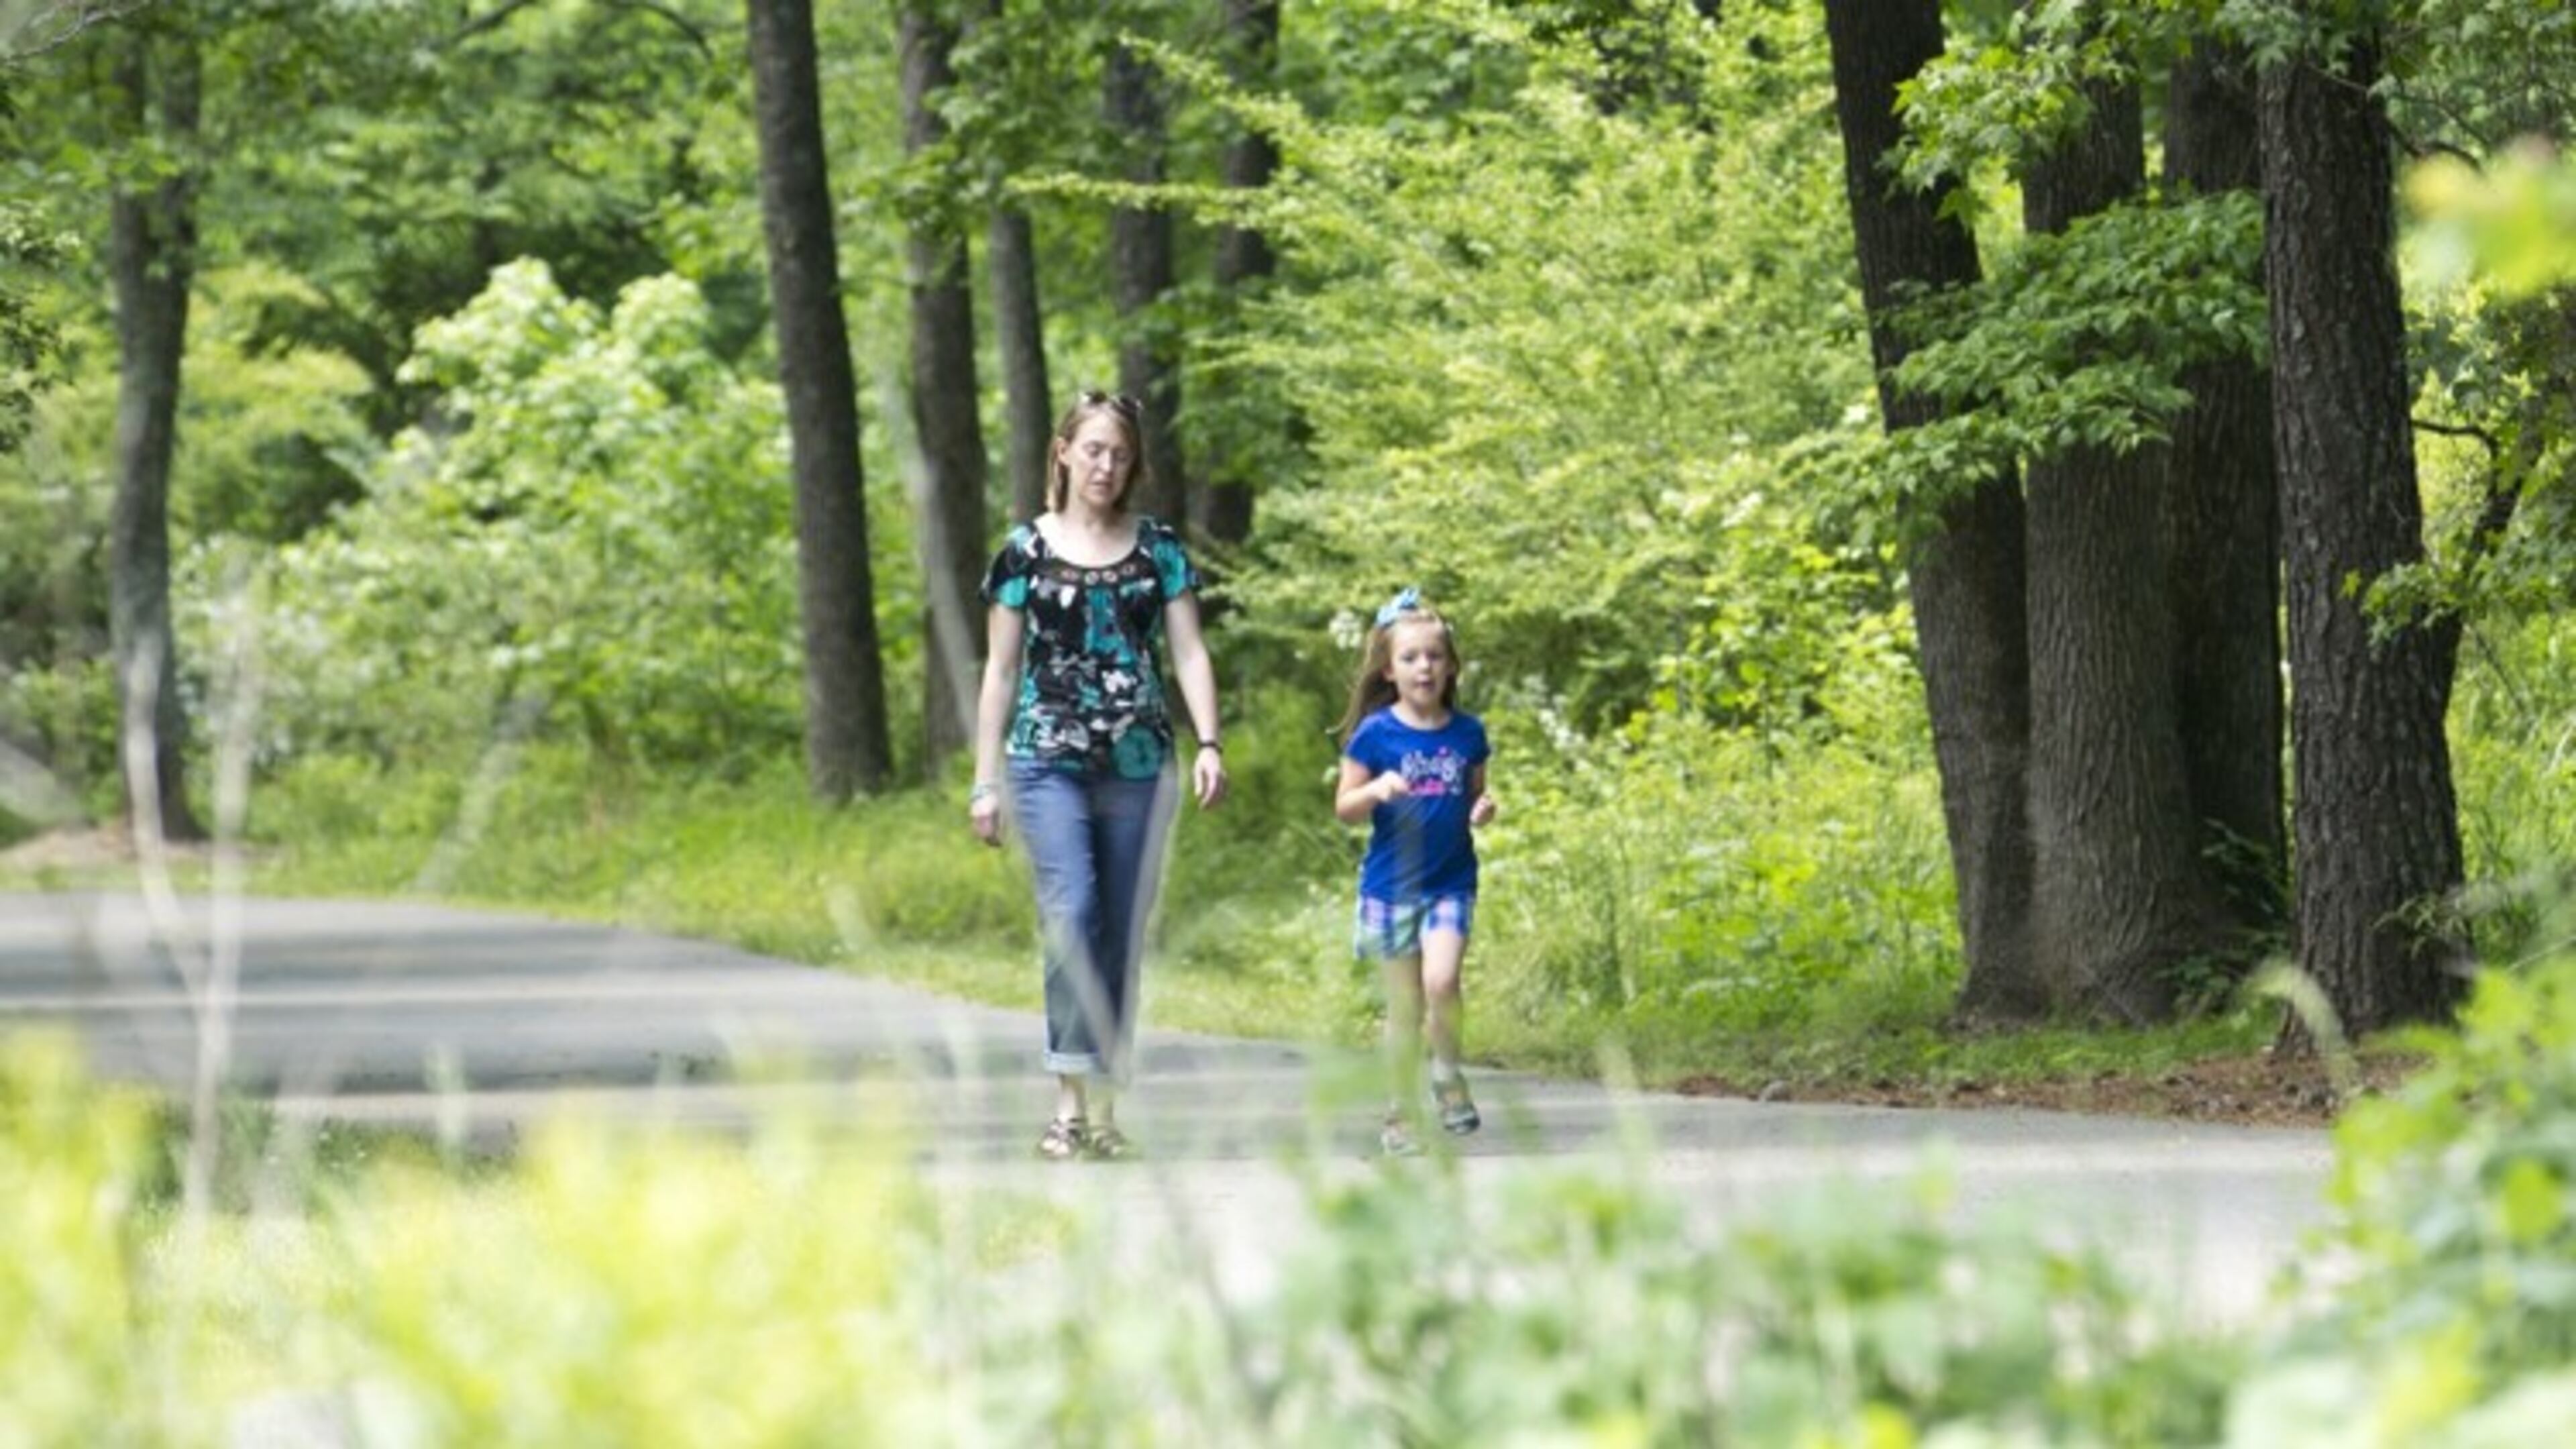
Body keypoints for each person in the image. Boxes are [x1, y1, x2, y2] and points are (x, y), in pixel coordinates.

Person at [969, 390, 1227, 1161]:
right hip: (1047, 761)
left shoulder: (1159, 550)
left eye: (1119, 454)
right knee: (1073, 913)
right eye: (1093, 451)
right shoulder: (1024, 551)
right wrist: (985, 780)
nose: (1106, 466)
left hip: (1140, 766)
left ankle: (1107, 1112)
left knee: (1119, 931)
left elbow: (1189, 652)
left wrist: (1210, 742)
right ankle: (1069, 1105)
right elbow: (1000, 670)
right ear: (1063, 453)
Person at [1333, 587, 1497, 1156]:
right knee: (1404, 1008)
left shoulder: (1468, 733)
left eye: (1434, 656)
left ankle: (1447, 1075)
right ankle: (1400, 1114)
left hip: (1451, 883)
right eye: (1410, 657)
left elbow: (1473, 797)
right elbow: (1344, 807)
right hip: (1390, 890)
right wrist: (1376, 789)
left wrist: (1482, 810)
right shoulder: (1375, 734)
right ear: (1389, 669)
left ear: (1451, 666)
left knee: (1442, 982)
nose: (1424, 667)